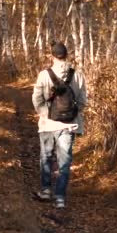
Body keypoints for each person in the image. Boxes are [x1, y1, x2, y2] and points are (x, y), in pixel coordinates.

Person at [31, 41, 87, 209]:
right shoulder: (77, 74)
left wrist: (45, 114)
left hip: (48, 124)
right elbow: (83, 101)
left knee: (46, 157)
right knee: (64, 161)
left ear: (52, 56)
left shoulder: (44, 74)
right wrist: (73, 114)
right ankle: (60, 198)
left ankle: (46, 190)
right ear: (66, 55)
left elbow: (36, 98)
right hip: (69, 125)